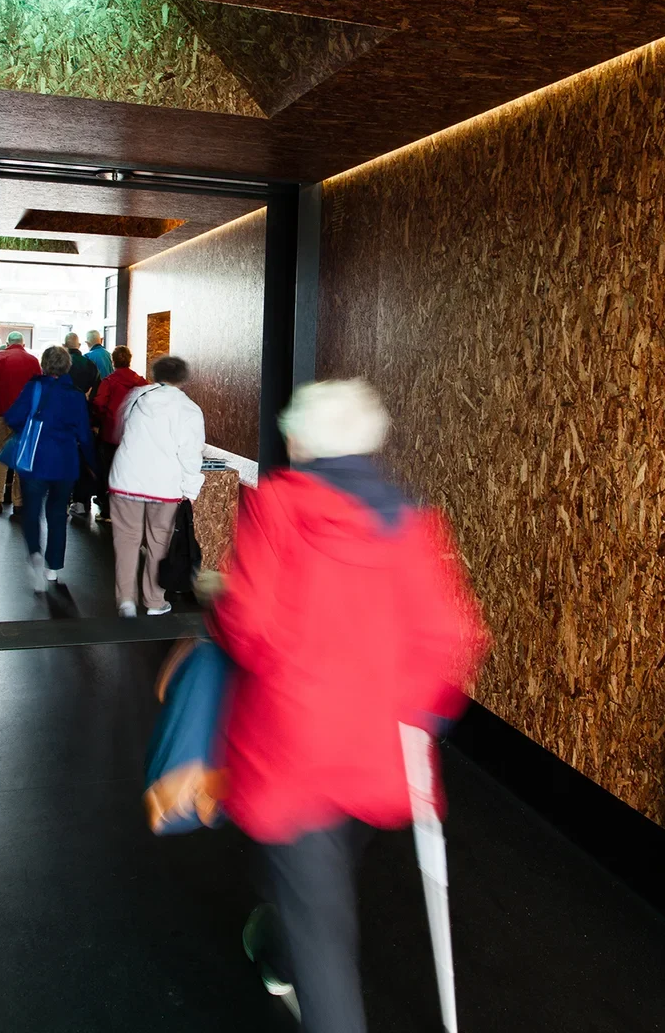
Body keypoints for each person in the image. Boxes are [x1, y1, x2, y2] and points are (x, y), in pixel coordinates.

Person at [211, 380, 487, 1032]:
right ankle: (277, 949)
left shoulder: (277, 506)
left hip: (292, 748)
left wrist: (218, 615)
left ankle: (292, 958)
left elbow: (248, 626)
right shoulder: (412, 519)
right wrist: (417, 715)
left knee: (320, 928)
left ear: (301, 439)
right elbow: (452, 637)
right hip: (381, 749)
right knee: (315, 888)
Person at [106, 355, 204, 617]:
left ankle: (126, 600)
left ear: (155, 374)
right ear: (184, 379)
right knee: (159, 541)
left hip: (125, 479)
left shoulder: (137, 397)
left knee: (126, 540)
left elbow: (120, 431)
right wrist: (191, 490)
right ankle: (154, 601)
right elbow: (191, 454)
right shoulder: (189, 409)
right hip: (164, 485)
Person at [0, 345, 94, 591]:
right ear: (67, 367)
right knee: (57, 513)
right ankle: (53, 567)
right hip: (65, 462)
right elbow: (84, 435)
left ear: (44, 364)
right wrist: (95, 465)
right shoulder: (75, 395)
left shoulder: (35, 387)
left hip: (34, 460)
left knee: (32, 511)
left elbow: (12, 417)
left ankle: (34, 553)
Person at [0, 330, 41, 515]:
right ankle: (19, 504)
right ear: (23, 343)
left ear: (7, 342)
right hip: (25, 417)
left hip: (4, 415)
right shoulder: (33, 361)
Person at [90, 345, 146, 520]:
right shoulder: (142, 382)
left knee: (107, 472)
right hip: (133, 434)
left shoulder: (108, 382)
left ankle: (107, 510)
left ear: (113, 361)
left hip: (110, 433)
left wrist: (100, 420)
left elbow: (98, 404)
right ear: (129, 360)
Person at [65, 333, 104, 517]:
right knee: (82, 459)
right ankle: (82, 500)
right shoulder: (90, 365)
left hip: (62, 422)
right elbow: (97, 394)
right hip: (84, 418)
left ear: (65, 345)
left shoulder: (60, 363)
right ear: (79, 345)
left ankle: (63, 499)